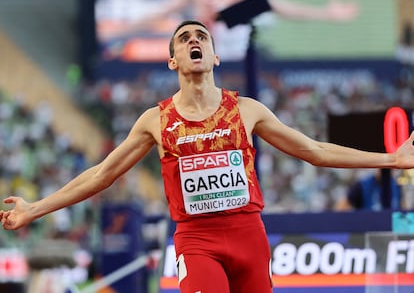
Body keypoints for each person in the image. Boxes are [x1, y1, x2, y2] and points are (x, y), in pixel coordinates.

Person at [2, 20, 414, 293]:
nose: (193, 40)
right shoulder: (155, 121)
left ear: (215, 56)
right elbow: (102, 174)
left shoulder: (247, 110)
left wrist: (391, 159)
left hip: (249, 236)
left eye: (201, 36)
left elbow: (314, 151)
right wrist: (36, 208)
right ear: (173, 60)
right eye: (184, 39)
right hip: (197, 241)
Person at [98, 0, 359, 60]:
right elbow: (161, 13)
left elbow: (284, 8)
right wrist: (117, 32)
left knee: (255, 8)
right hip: (209, 58)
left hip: (238, 56)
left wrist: (327, 14)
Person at [335, 169, 403, 211]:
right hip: (366, 227)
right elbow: (342, 205)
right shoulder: (362, 185)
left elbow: (402, 207)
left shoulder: (397, 186)